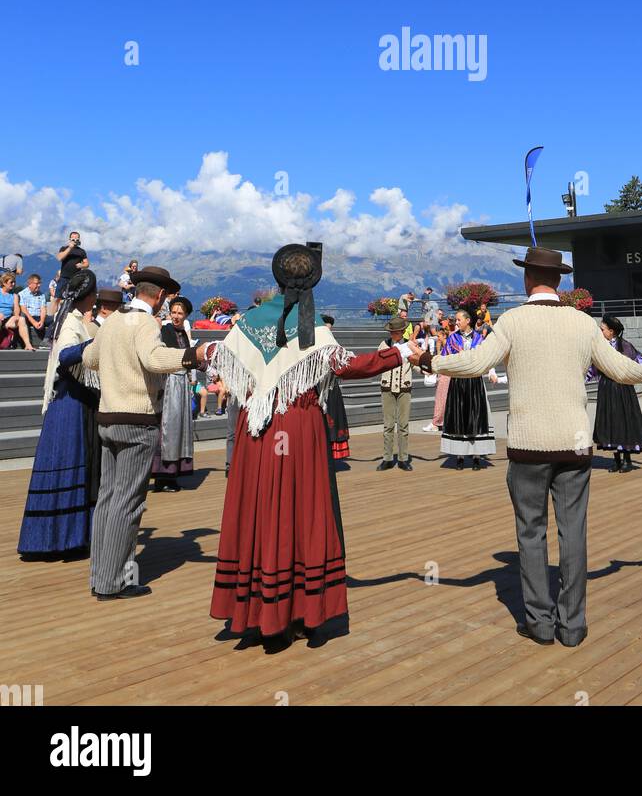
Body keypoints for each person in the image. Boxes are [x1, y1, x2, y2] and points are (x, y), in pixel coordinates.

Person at [410, 247, 642, 646]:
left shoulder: (511, 321)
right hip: (574, 444)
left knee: (531, 533)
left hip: (527, 446)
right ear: (559, 280)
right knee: (573, 533)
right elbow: (619, 370)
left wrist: (430, 362)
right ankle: (572, 624)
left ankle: (539, 623)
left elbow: (474, 364)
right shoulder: (582, 323)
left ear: (527, 279)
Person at [206, 243, 413, 644]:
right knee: (304, 510)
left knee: (257, 509)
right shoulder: (312, 323)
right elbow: (346, 365)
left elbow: (219, 356)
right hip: (299, 428)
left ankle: (258, 609)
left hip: (256, 430)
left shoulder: (250, 321)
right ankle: (302, 609)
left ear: (277, 277)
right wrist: (399, 353)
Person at [82, 265, 205, 600]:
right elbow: (153, 360)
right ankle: (113, 582)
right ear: (161, 296)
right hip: (137, 420)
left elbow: (90, 357)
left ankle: (100, 575)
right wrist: (193, 356)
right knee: (129, 503)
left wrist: (115, 363)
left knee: (107, 499)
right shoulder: (148, 323)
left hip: (107, 418)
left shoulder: (112, 322)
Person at [18, 270, 101, 558]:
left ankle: (57, 537)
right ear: (87, 296)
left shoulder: (73, 319)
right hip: (69, 400)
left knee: (65, 465)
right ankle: (64, 538)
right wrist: (94, 345)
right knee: (70, 462)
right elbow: (66, 356)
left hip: (69, 399)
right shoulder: (70, 324)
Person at [438, 308, 498, 470]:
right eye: (456, 320)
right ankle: (459, 456)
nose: (456, 322)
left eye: (458, 320)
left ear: (467, 320)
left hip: (474, 382)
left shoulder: (479, 339)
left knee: (476, 417)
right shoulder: (452, 338)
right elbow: (445, 357)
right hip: (458, 382)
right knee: (459, 417)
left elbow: (487, 358)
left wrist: (491, 372)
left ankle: (477, 456)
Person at [591, 314, 642, 473]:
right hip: (607, 389)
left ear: (611, 331)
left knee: (624, 422)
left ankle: (627, 460)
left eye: (602, 329)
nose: (600, 331)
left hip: (623, 389)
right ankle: (616, 460)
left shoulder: (626, 346)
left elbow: (640, 362)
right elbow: (592, 368)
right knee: (611, 422)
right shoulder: (600, 347)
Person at [151, 296, 196, 492]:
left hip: (182, 384)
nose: (176, 316)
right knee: (168, 428)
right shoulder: (165, 331)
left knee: (179, 427)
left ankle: (174, 473)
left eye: (180, 313)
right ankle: (163, 475)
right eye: (174, 312)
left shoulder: (183, 334)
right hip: (169, 383)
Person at [378, 316, 414, 471]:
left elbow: (417, 364)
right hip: (387, 388)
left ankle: (403, 458)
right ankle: (387, 458)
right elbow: (377, 363)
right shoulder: (383, 345)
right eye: (391, 332)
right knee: (388, 425)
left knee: (403, 425)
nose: (393, 335)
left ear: (402, 331)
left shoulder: (410, 346)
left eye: (396, 332)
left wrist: (430, 371)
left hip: (404, 388)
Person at [321, 314, 350, 463]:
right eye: (326, 329)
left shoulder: (334, 345)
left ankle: (331, 457)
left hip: (332, 389)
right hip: (319, 390)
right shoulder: (315, 345)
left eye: (330, 330)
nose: (328, 332)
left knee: (334, 421)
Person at [16, 273, 47, 349]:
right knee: (22, 318)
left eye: (40, 283)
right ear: (30, 284)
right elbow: (24, 310)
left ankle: (47, 340)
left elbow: (43, 309)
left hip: (38, 317)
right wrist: (34, 322)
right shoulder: (22, 294)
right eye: (37, 283)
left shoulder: (41, 295)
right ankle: (27, 344)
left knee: (55, 318)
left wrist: (42, 321)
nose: (39, 285)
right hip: (28, 317)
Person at [56, 231, 88, 302]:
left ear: (79, 240)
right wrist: (70, 248)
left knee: (73, 298)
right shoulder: (64, 248)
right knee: (57, 298)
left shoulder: (82, 251)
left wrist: (82, 265)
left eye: (77, 239)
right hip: (64, 277)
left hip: (75, 278)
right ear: (70, 239)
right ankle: (52, 313)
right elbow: (59, 258)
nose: (75, 240)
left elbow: (87, 264)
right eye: (73, 239)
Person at [0, 272, 21, 349]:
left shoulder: (14, 295)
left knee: (21, 319)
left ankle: (28, 345)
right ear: (4, 283)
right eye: (11, 282)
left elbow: (16, 309)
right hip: (0, 317)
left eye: (14, 282)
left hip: (8, 319)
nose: (13, 284)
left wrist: (16, 316)